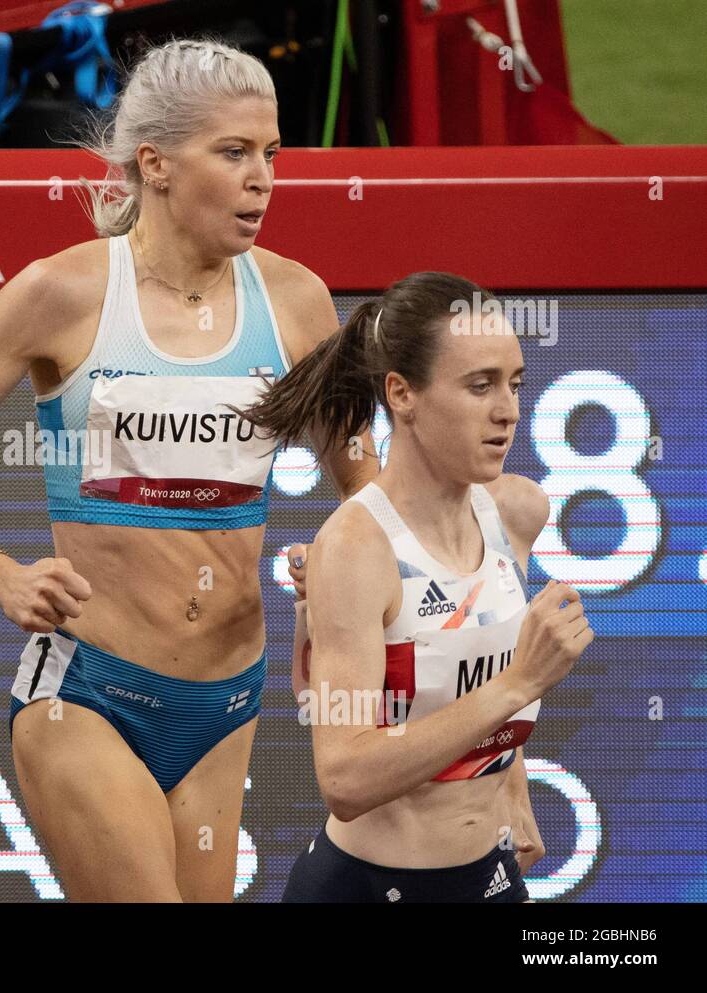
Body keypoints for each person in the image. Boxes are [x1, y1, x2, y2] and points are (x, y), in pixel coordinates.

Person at [0, 37, 377, 904]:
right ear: (156, 165)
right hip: (89, 691)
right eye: (235, 152)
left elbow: (367, 486)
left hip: (226, 703)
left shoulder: (296, 300)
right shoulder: (62, 295)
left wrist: (336, 566)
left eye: (272, 154)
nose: (263, 178)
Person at [246, 271, 590, 902]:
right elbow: (344, 779)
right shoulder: (354, 548)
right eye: (479, 385)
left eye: (514, 384)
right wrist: (520, 681)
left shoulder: (517, 512)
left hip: (489, 878)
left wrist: (508, 783)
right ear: (402, 394)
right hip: (369, 887)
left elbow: (457, 675)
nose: (507, 411)